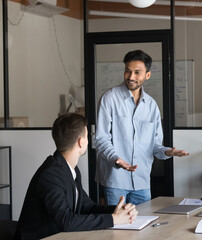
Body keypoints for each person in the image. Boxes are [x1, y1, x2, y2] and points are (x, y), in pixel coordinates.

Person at [15, 113, 138, 240]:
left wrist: (117, 210)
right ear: (81, 142)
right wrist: (114, 219)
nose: (89, 140)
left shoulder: (70, 169)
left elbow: (87, 207)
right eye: (87, 136)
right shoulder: (51, 174)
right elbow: (66, 221)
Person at [95, 50, 189, 206]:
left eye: (137, 72)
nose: (131, 77)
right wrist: (116, 159)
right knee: (118, 227)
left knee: (143, 226)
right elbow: (101, 138)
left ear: (148, 75)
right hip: (116, 179)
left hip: (142, 180)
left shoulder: (152, 106)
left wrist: (168, 151)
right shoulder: (109, 98)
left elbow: (154, 145)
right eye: (128, 71)